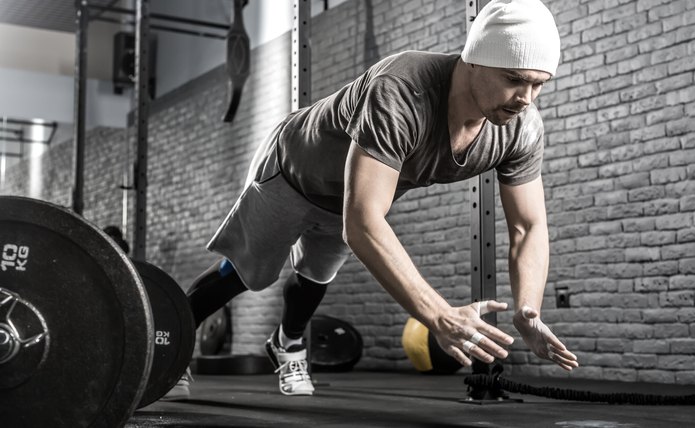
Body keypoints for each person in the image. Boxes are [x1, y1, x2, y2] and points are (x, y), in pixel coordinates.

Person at [167, 0, 578, 399]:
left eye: (538, 84)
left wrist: (529, 310)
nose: (525, 97)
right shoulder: (401, 89)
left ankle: (287, 344)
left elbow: (528, 227)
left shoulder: (521, 130)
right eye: (513, 78)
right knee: (248, 272)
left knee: (315, 276)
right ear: (473, 58)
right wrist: (438, 315)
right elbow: (363, 221)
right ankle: (172, 346)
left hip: (346, 197)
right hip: (293, 171)